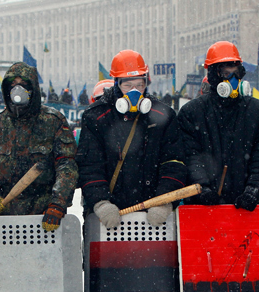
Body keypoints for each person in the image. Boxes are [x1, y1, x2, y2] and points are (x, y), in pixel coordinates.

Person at [77, 49, 186, 228]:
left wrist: (164, 200)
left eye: (140, 85)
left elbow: (174, 162)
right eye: (127, 85)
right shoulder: (96, 117)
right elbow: (90, 165)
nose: (134, 91)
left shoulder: (163, 115)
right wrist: (100, 202)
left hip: (153, 216)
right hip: (109, 216)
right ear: (116, 84)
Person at [0, 62, 78, 231]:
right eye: (13, 85)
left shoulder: (53, 121)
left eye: (23, 85)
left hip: (46, 218)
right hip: (5, 220)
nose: (17, 90)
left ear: (33, 89)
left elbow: (67, 166)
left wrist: (58, 204)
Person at [178, 41, 259, 210]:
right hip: (202, 210)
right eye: (226, 73)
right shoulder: (192, 112)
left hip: (246, 210)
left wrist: (253, 191)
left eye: (236, 73)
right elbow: (190, 156)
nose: (233, 79)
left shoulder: (258, 111)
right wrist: (202, 189)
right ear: (214, 76)